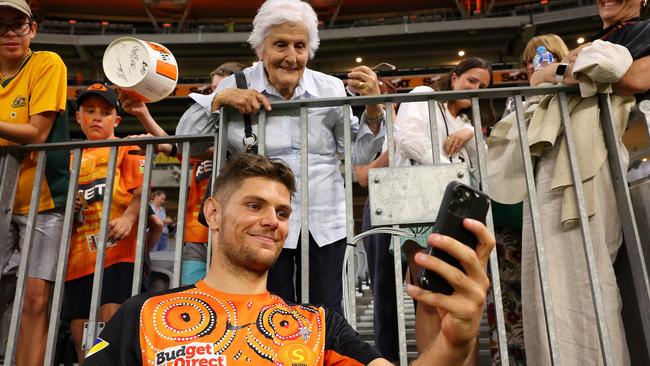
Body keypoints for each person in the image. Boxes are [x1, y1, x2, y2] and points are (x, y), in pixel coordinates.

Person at [82, 152, 496, 366]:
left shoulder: (318, 327)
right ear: (212, 214)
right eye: (254, 205)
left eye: (282, 212)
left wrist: (457, 338)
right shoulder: (145, 315)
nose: (272, 222)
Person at [208, 0, 386, 314]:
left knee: (324, 313)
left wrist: (373, 108)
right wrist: (219, 99)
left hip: (325, 221)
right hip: (260, 223)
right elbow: (189, 138)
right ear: (260, 49)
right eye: (281, 45)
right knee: (264, 310)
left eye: (300, 46)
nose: (292, 57)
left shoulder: (330, 87)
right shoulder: (234, 85)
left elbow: (358, 153)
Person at [503, 1, 650, 363]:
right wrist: (572, 67)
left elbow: (635, 77)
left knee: (585, 272)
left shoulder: (643, 30)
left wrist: (561, 68)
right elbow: (544, 77)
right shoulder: (598, 40)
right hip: (554, 163)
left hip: (596, 160)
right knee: (547, 280)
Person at [393, 57, 493, 359]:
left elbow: (484, 163)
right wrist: (449, 170)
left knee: (459, 294)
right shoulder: (421, 95)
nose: (475, 88)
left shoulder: (465, 123)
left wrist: (472, 132)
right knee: (428, 292)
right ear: (454, 77)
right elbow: (407, 139)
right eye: (471, 80)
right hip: (418, 202)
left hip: (455, 210)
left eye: (482, 86)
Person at [121, 61, 246, 285]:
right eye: (212, 90)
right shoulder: (199, 138)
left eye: (221, 90)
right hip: (195, 234)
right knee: (193, 303)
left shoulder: (245, 139)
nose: (215, 96)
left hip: (232, 235)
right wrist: (142, 114)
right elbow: (176, 147)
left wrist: (160, 143)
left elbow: (201, 149)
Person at [486, 34, 569, 366]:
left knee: (552, 299)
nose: (535, 63)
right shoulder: (515, 101)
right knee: (507, 300)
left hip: (551, 212)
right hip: (510, 215)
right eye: (528, 60)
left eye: (544, 55)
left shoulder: (568, 85)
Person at [0, 0, 69, 364]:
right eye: (1, 26)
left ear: (33, 29)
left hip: (43, 200)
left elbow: (36, 133)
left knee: (35, 298)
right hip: (1, 197)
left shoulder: (46, 63)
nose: (10, 33)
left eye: (19, 24)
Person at [61, 84, 145, 364]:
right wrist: (66, 206)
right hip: (78, 261)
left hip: (117, 256)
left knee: (109, 332)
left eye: (106, 112)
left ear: (116, 120)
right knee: (80, 338)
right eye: (90, 111)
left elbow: (143, 190)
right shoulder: (69, 158)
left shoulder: (126, 148)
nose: (97, 117)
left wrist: (129, 217)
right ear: (78, 117)